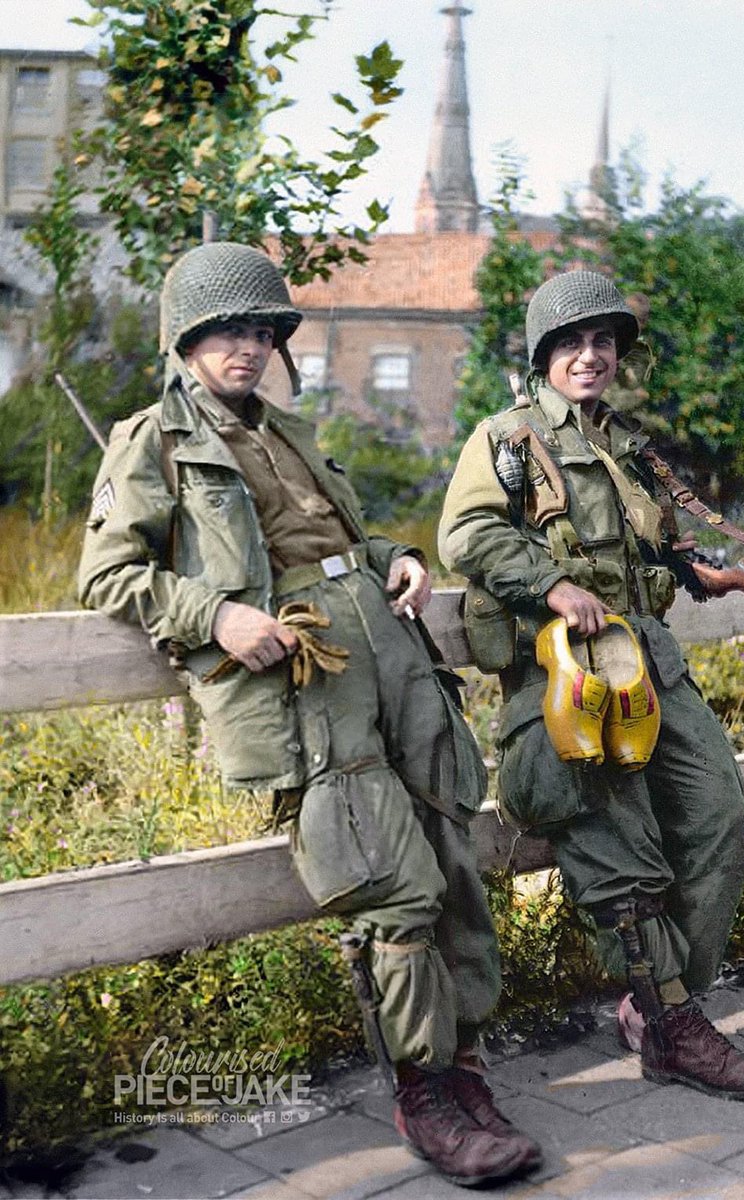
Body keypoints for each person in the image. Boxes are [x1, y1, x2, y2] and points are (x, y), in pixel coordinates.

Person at [78, 241, 542, 1186]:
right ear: (186, 339)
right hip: (301, 679)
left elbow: (339, 537)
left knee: (454, 860)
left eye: (259, 330)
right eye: (225, 332)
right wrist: (214, 614)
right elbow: (107, 574)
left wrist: (396, 556)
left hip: (391, 656)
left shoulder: (287, 432)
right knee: (386, 885)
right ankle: (425, 1095)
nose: (245, 347)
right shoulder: (153, 440)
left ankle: (465, 1067)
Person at [438, 268, 744, 1102]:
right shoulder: (506, 439)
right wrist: (552, 585)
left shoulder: (627, 445)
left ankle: (659, 1003)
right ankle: (675, 1027)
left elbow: (650, 551)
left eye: (603, 343)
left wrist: (698, 568)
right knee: (618, 849)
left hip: (651, 660)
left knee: (721, 818)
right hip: (564, 668)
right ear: (543, 356)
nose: (589, 356)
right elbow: (465, 532)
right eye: (571, 343)